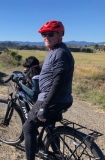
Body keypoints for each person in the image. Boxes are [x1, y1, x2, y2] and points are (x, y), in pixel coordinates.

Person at [22, 20, 75, 160]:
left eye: (50, 34)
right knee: (49, 124)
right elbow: (49, 71)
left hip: (52, 99)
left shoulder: (60, 53)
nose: (46, 37)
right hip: (59, 99)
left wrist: (44, 106)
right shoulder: (55, 51)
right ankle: (56, 153)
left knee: (28, 127)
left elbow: (58, 82)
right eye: (44, 35)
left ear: (60, 35)